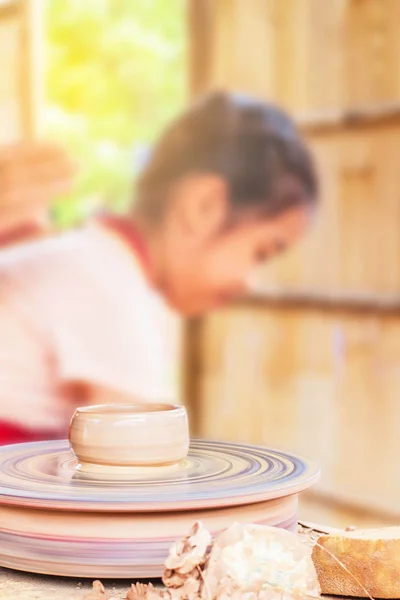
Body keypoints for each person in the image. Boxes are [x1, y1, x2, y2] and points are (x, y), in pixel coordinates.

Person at [0, 91, 318, 445]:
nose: (251, 283)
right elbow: (139, 467)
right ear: (204, 206)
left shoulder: (91, 257)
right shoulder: (109, 286)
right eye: (261, 252)